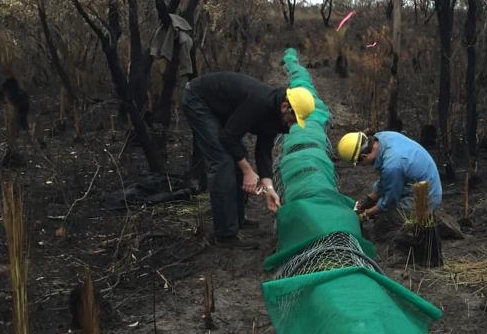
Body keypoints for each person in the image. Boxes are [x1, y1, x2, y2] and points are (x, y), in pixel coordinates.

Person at [182, 72, 315, 247]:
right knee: (223, 161)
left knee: (238, 153)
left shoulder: (276, 116)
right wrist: (247, 171)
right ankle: (225, 234)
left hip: (219, 107)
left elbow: (263, 151)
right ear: (285, 106)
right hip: (198, 100)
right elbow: (228, 137)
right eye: (294, 119)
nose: (293, 124)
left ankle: (237, 219)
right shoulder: (259, 103)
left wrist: (268, 189)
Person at [337, 130, 442, 239]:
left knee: (387, 219)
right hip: (416, 180)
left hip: (428, 196)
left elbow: (389, 201)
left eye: (360, 162)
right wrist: (370, 199)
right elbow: (385, 180)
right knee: (378, 198)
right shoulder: (383, 137)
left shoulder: (392, 165)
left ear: (364, 156)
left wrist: (366, 214)